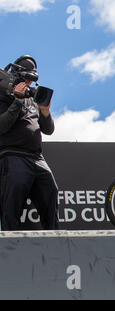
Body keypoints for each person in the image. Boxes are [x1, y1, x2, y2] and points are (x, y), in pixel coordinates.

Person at [0, 55, 59, 231]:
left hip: (37, 157)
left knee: (51, 193)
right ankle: (10, 250)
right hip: (12, 156)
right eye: (26, 78)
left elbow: (48, 130)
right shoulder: (2, 96)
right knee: (12, 207)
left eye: (31, 80)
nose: (29, 83)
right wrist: (16, 102)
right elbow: (2, 126)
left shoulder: (32, 98)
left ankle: (54, 243)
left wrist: (45, 112)